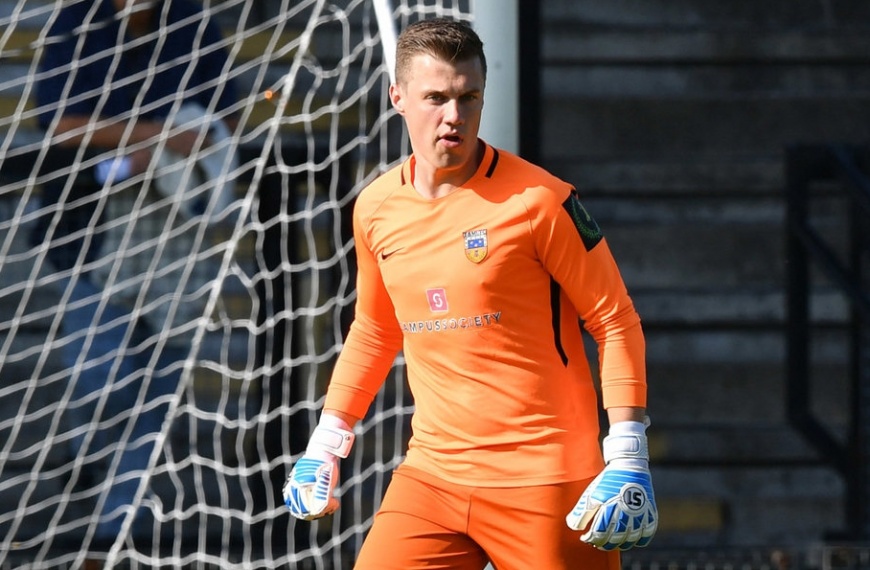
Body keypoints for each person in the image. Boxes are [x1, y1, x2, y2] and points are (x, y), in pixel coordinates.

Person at [282, 17, 657, 570]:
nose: (454, 117)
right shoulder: (375, 208)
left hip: (546, 479)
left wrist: (628, 450)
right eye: (436, 98)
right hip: (432, 476)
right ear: (399, 97)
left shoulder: (541, 202)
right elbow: (375, 329)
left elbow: (615, 319)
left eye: (468, 98)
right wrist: (327, 438)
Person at [34, 0, 238, 545]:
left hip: (178, 244)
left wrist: (192, 148)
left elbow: (226, 116)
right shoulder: (78, 24)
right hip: (91, 239)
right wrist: (150, 139)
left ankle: (114, 532)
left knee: (160, 389)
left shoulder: (192, 24)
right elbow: (58, 124)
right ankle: (83, 481)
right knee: (102, 389)